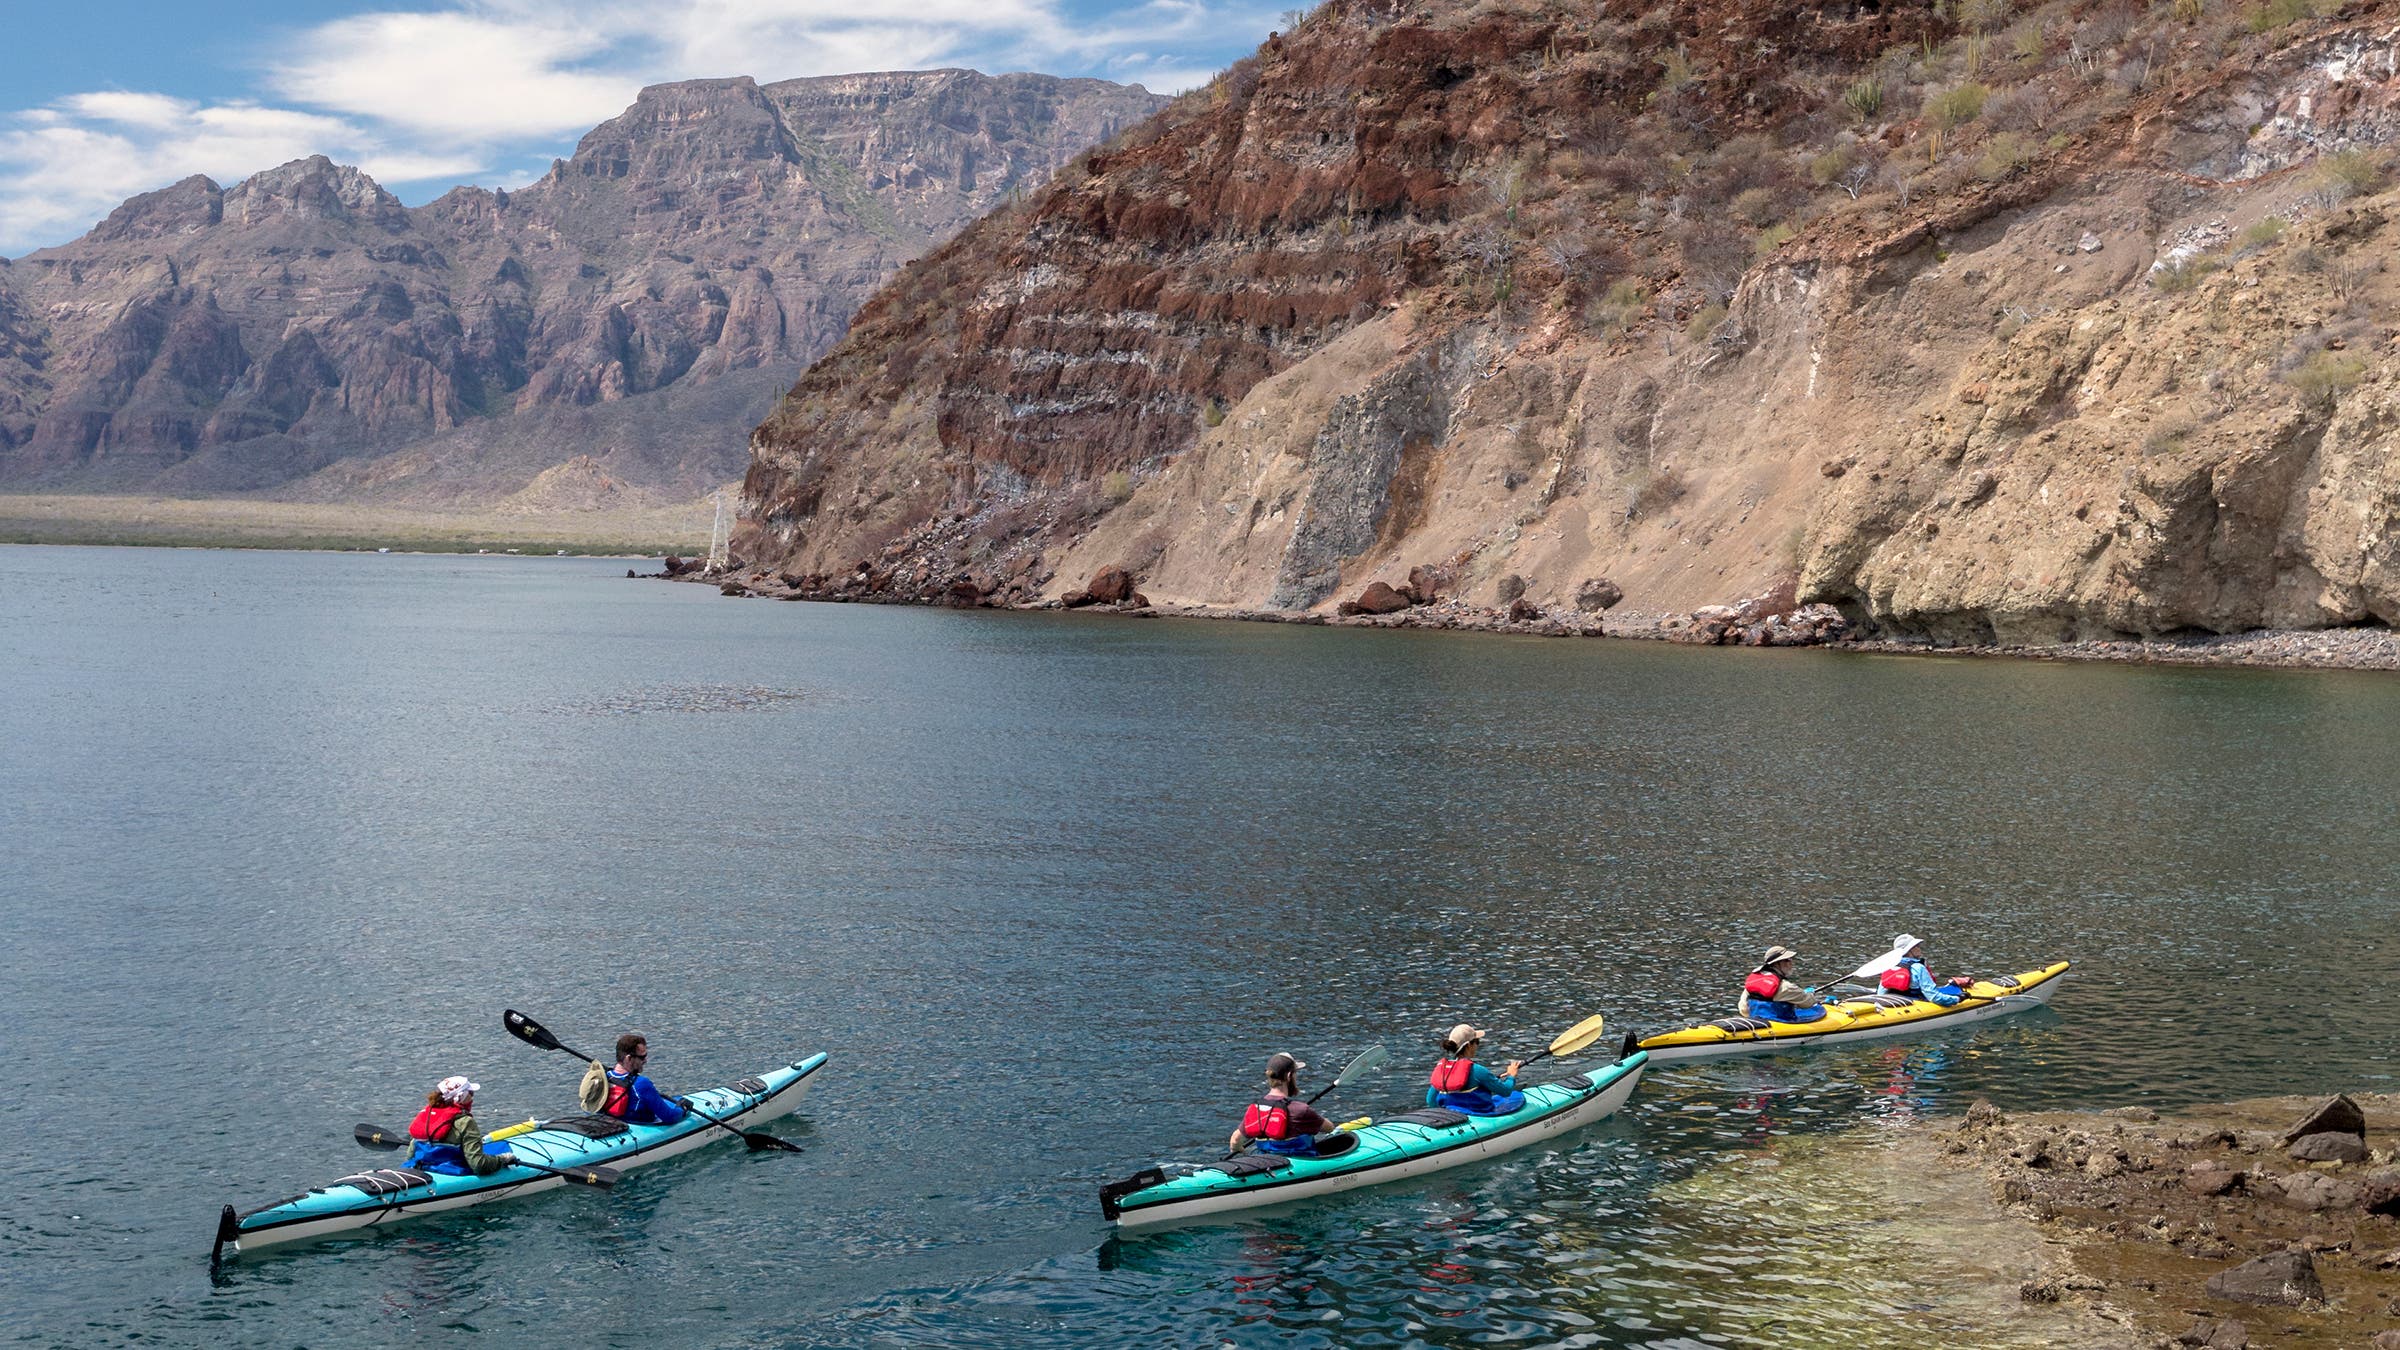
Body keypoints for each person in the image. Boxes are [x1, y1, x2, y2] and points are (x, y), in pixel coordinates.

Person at [1226, 1052, 1358, 1159]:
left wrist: (1239, 1150)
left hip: (1265, 1163)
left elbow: (1235, 1140)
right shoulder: (1301, 1110)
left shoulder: (1257, 1108)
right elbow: (1329, 1128)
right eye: (1295, 1073)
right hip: (1302, 1167)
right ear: (1289, 1076)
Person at [406, 1075, 518, 1176]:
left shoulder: (427, 1115)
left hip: (423, 1168)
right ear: (461, 1097)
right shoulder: (465, 1122)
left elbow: (410, 1155)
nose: (472, 1098)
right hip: (453, 1173)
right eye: (471, 1093)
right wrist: (502, 1160)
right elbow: (479, 1165)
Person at [579, 1033, 689, 1125]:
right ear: (629, 1058)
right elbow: (669, 1117)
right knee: (677, 1103)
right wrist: (682, 1109)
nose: (645, 1060)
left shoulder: (605, 1078)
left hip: (613, 1124)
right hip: (641, 1127)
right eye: (642, 1057)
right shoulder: (641, 1084)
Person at [1426, 1024, 1525, 1116]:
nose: (1477, 1045)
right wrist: (1511, 1075)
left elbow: (1430, 1100)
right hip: (1480, 1115)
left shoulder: (1443, 1071)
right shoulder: (1478, 1070)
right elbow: (1506, 1091)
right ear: (1469, 1045)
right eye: (1477, 1041)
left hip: (1453, 1115)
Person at [1877, 935, 1976, 1007]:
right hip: (1916, 1004)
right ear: (1910, 950)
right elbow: (1934, 997)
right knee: (1955, 991)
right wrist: (1958, 999)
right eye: (1917, 946)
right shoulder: (1918, 968)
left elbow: (1880, 994)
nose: (1919, 948)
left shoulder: (1889, 966)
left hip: (1894, 1002)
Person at [1741, 945, 1827, 1023]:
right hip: (1779, 1023)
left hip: (1757, 1020)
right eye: (1787, 960)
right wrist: (1809, 994)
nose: (1791, 963)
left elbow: (1743, 1010)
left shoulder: (1752, 983)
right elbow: (1809, 1003)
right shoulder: (1787, 987)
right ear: (1777, 963)